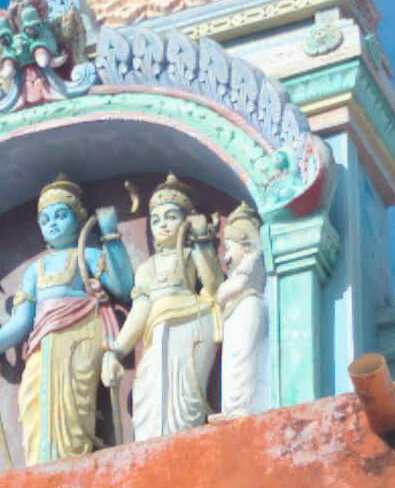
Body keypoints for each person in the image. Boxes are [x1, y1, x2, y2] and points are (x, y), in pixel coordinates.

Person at [0, 176, 133, 465]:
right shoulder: (36, 270)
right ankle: (41, 468)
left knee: (73, 407)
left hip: (81, 335)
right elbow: (21, 322)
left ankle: (71, 464)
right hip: (42, 344)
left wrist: (110, 234)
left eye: (61, 215)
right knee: (34, 402)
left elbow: (123, 287)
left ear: (79, 217)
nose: (53, 223)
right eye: (45, 219)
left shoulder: (88, 254)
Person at [101, 174, 223, 440]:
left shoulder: (190, 255)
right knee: (149, 391)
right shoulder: (147, 269)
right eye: (156, 220)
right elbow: (139, 313)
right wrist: (117, 351)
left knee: (185, 396)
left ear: (185, 221)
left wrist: (202, 240)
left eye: (171, 217)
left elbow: (214, 288)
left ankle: (183, 442)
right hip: (158, 333)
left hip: (191, 325)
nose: (163, 225)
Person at [216, 203, 270, 417]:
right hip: (235, 315)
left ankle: (245, 407)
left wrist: (222, 291)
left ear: (245, 244)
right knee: (232, 365)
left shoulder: (252, 260)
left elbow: (232, 289)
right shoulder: (239, 269)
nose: (226, 257)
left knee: (244, 360)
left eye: (229, 248)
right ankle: (231, 408)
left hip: (247, 310)